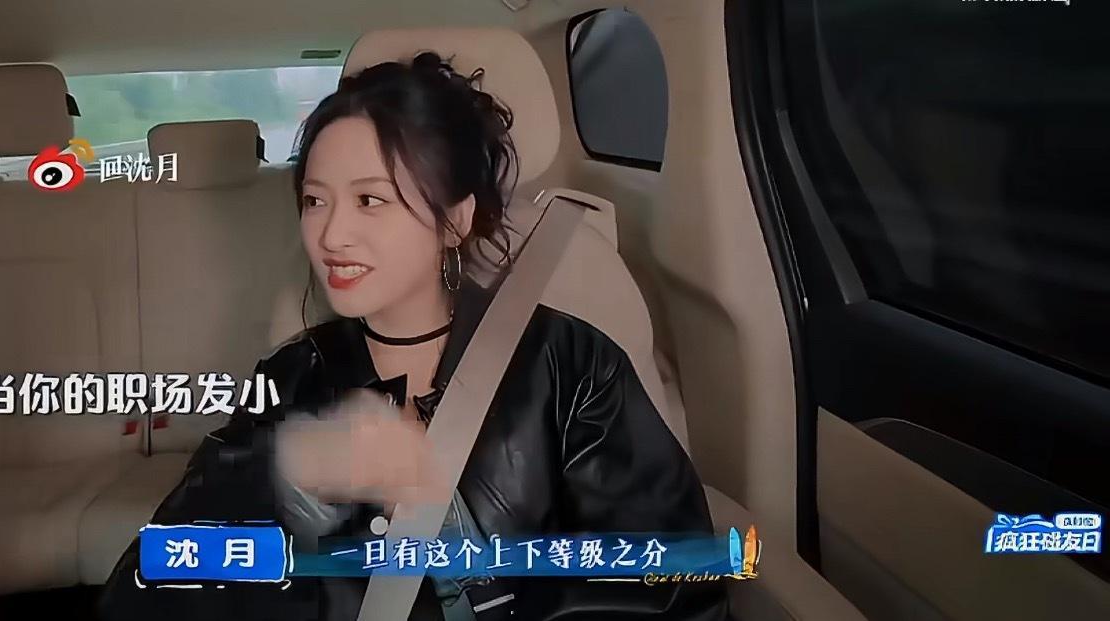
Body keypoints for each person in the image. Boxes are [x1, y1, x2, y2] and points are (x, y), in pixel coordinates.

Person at [99, 52, 727, 621]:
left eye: (370, 200)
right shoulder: (290, 381)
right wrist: (282, 479)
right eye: (315, 201)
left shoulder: (571, 367)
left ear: (455, 219)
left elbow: (669, 582)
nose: (331, 235)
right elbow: (143, 591)